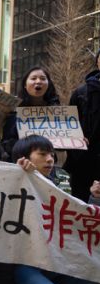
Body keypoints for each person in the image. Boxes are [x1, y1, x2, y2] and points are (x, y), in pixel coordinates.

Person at [1, 136, 95, 284]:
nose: (50, 159)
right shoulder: (12, 186)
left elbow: (77, 217)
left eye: (52, 154)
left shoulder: (54, 185)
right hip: (23, 265)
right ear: (24, 158)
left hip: (51, 260)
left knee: (92, 269)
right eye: (42, 154)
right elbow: (2, 243)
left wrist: (94, 199)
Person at [1, 67, 61, 161]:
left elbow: (62, 144)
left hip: (47, 165)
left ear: (48, 84)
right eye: (33, 78)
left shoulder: (58, 112)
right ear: (25, 85)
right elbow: (7, 143)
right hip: (22, 164)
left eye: (42, 78)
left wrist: (76, 139)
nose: (38, 81)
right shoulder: (14, 110)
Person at [64, 48, 100, 202]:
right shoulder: (80, 93)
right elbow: (68, 129)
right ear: (97, 61)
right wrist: (76, 143)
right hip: (83, 167)